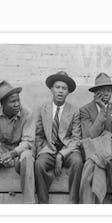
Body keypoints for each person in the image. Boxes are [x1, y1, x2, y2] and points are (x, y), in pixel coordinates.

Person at [34, 71, 83, 204]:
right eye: (57, 87)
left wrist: (61, 155)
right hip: (48, 148)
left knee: (78, 162)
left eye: (64, 88)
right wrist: (40, 151)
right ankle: (43, 203)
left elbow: (76, 138)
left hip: (68, 149)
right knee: (39, 164)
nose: (60, 91)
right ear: (51, 89)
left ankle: (73, 202)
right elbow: (38, 135)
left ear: (68, 92)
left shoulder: (74, 110)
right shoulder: (43, 109)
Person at [79, 72, 112, 204]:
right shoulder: (85, 110)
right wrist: (101, 112)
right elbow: (89, 136)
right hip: (94, 152)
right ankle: (87, 204)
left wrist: (110, 153)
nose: (106, 93)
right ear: (95, 92)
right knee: (90, 164)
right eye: (102, 90)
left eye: (109, 90)